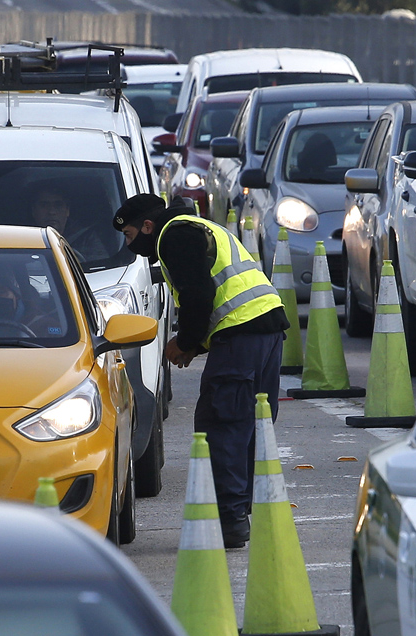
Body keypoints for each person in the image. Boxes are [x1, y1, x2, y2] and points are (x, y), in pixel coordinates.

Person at [113, 193, 290, 549]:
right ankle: (244, 512)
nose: (130, 245)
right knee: (252, 423)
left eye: (131, 235)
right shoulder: (196, 225)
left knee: (221, 423)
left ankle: (229, 520)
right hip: (265, 328)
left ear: (148, 226)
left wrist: (186, 342)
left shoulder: (173, 235)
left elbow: (198, 294)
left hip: (241, 333)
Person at [29, 188, 108, 263]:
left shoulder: (86, 238)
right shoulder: (22, 239)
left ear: (67, 211)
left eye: (58, 205)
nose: (51, 212)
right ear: (34, 211)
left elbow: (100, 267)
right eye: (44, 205)